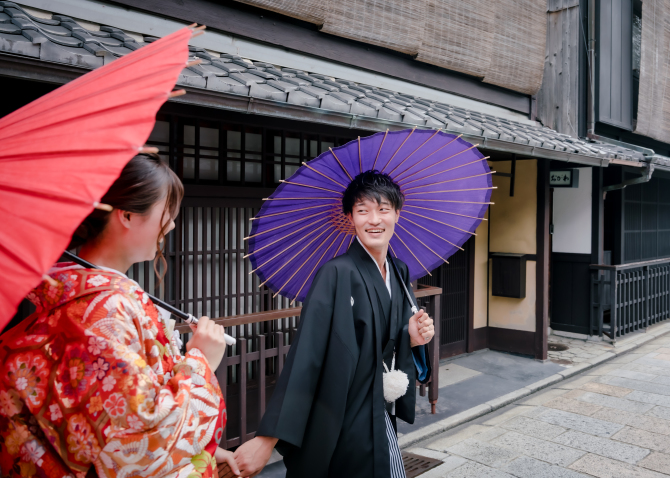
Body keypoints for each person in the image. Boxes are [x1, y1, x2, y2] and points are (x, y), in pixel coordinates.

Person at [0, 153, 239, 478]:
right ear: (126, 215)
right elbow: (138, 440)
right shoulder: (105, 307)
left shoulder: (76, 292)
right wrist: (200, 363)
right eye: (166, 212)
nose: (171, 224)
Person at [233, 170, 435, 478]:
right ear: (350, 217)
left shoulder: (400, 270)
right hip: (343, 412)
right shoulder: (336, 273)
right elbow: (307, 356)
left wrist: (413, 339)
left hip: (379, 409)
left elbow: (391, 343)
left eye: (383, 209)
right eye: (363, 210)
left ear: (397, 213)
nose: (374, 219)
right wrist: (267, 437)